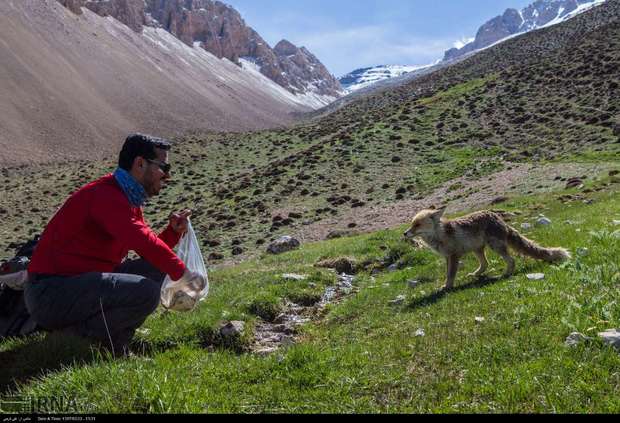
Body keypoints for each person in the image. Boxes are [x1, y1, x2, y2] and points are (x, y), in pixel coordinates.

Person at [24, 133, 204, 356]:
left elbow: (147, 244)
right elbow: (142, 241)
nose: (167, 176)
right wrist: (185, 275)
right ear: (140, 164)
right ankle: (85, 339)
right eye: (163, 167)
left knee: (157, 271)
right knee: (146, 292)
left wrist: (172, 234)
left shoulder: (125, 197)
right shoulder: (106, 196)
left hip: (76, 283)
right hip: (51, 292)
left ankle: (112, 338)